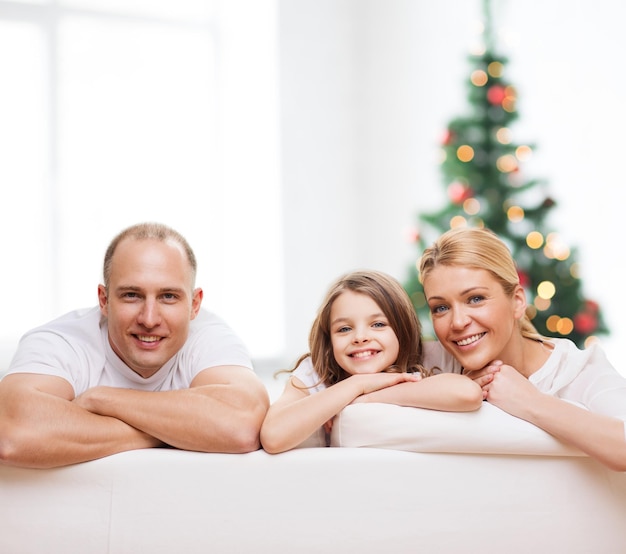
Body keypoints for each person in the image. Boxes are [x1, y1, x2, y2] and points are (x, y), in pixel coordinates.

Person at [0, 222, 269, 468]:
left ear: (194, 304)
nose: (149, 319)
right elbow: (11, 434)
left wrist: (102, 399)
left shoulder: (210, 337)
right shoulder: (62, 342)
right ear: (103, 300)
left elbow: (243, 426)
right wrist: (181, 431)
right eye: (131, 295)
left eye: (168, 296)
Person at [419, 226, 626, 471]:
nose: (458, 322)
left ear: (517, 302)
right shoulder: (432, 362)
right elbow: (363, 382)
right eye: (441, 308)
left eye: (475, 299)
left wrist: (530, 402)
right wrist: (456, 390)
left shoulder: (575, 369)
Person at [260, 270, 482, 454]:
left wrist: (369, 397)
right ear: (330, 339)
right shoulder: (316, 371)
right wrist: (356, 385)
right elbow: (273, 435)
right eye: (344, 329)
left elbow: (467, 393)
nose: (360, 337)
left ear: (402, 328)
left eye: (378, 324)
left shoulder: (430, 355)